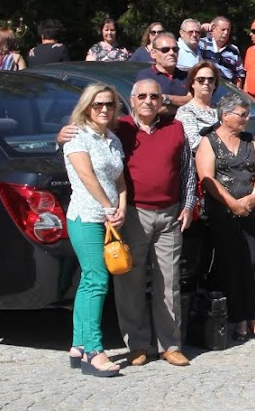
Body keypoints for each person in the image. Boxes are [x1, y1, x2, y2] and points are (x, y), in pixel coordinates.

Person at [112, 78, 198, 367]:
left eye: (154, 96)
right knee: (130, 281)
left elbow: (188, 170)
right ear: (133, 99)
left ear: (162, 101)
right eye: (143, 96)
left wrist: (188, 205)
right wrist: (63, 139)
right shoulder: (119, 128)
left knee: (169, 282)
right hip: (134, 213)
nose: (148, 101)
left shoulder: (175, 128)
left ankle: (170, 344)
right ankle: (137, 344)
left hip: (170, 214)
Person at [62, 83, 127, 377]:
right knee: (96, 279)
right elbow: (86, 175)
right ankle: (93, 350)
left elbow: (120, 180)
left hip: (109, 218)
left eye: (109, 104)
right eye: (98, 104)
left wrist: (121, 206)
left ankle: (78, 344)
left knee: (90, 281)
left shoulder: (112, 138)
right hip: (86, 216)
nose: (103, 109)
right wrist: (107, 206)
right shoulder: (77, 136)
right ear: (87, 107)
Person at [196, 93, 255, 343]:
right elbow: (207, 178)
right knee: (231, 265)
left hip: (250, 210)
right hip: (223, 213)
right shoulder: (209, 141)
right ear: (225, 115)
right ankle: (238, 318)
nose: (246, 119)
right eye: (242, 115)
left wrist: (254, 197)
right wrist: (232, 203)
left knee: (252, 263)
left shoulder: (249, 139)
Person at [175, 62, 220, 151]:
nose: (206, 83)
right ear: (192, 83)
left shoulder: (221, 110)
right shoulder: (185, 111)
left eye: (211, 79)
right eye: (200, 79)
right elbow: (193, 144)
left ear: (215, 84)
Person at [198, 16, 245, 86]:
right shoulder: (201, 43)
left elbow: (238, 75)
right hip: (204, 86)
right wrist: (200, 29)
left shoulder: (234, 50)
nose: (226, 33)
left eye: (228, 30)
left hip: (225, 90)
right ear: (213, 29)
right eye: (223, 29)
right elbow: (186, 42)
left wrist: (236, 94)